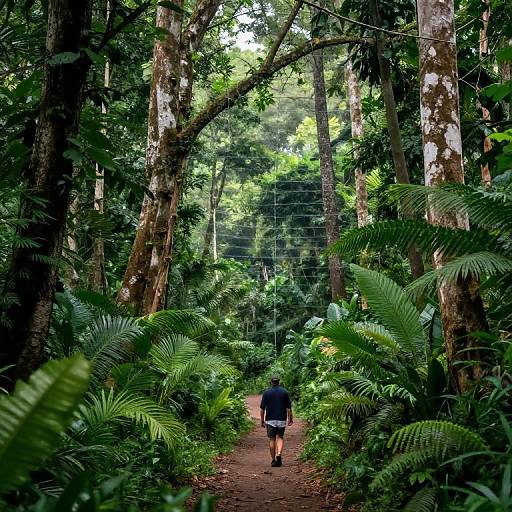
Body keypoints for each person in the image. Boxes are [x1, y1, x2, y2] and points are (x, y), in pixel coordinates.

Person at [260, 376, 293, 467]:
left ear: (271, 382)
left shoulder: (266, 393)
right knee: (280, 437)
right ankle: (279, 454)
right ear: (279, 382)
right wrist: (290, 418)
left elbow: (262, 408)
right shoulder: (284, 392)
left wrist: (262, 420)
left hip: (270, 419)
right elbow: (288, 408)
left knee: (272, 439)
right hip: (281, 419)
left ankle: (273, 460)